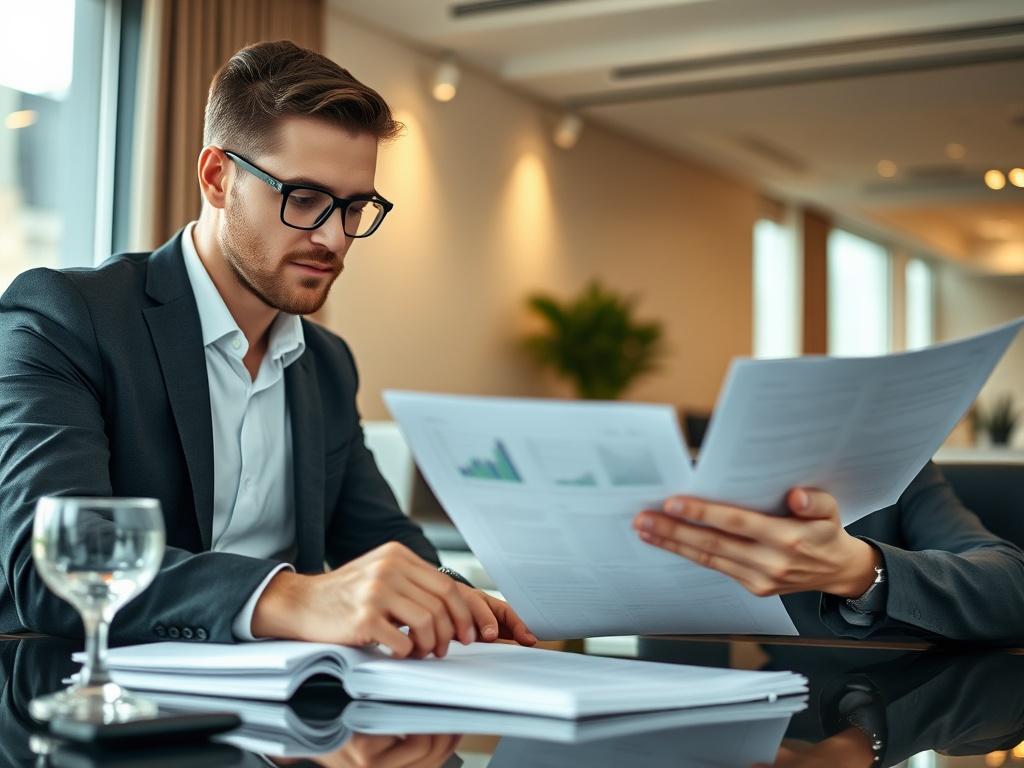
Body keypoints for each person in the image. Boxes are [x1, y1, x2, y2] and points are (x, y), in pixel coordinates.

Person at [0, 40, 536, 658]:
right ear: (217, 178)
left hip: (290, 721)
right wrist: (294, 598)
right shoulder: (66, 318)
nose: (335, 238)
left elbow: (379, 543)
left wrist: (458, 600)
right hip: (90, 709)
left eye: (354, 207)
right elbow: (51, 566)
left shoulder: (326, 363)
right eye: (304, 199)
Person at [633, 460, 1024, 641]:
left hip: (889, 701)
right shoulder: (685, 493)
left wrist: (860, 569)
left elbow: (1011, 588)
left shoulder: (903, 470)